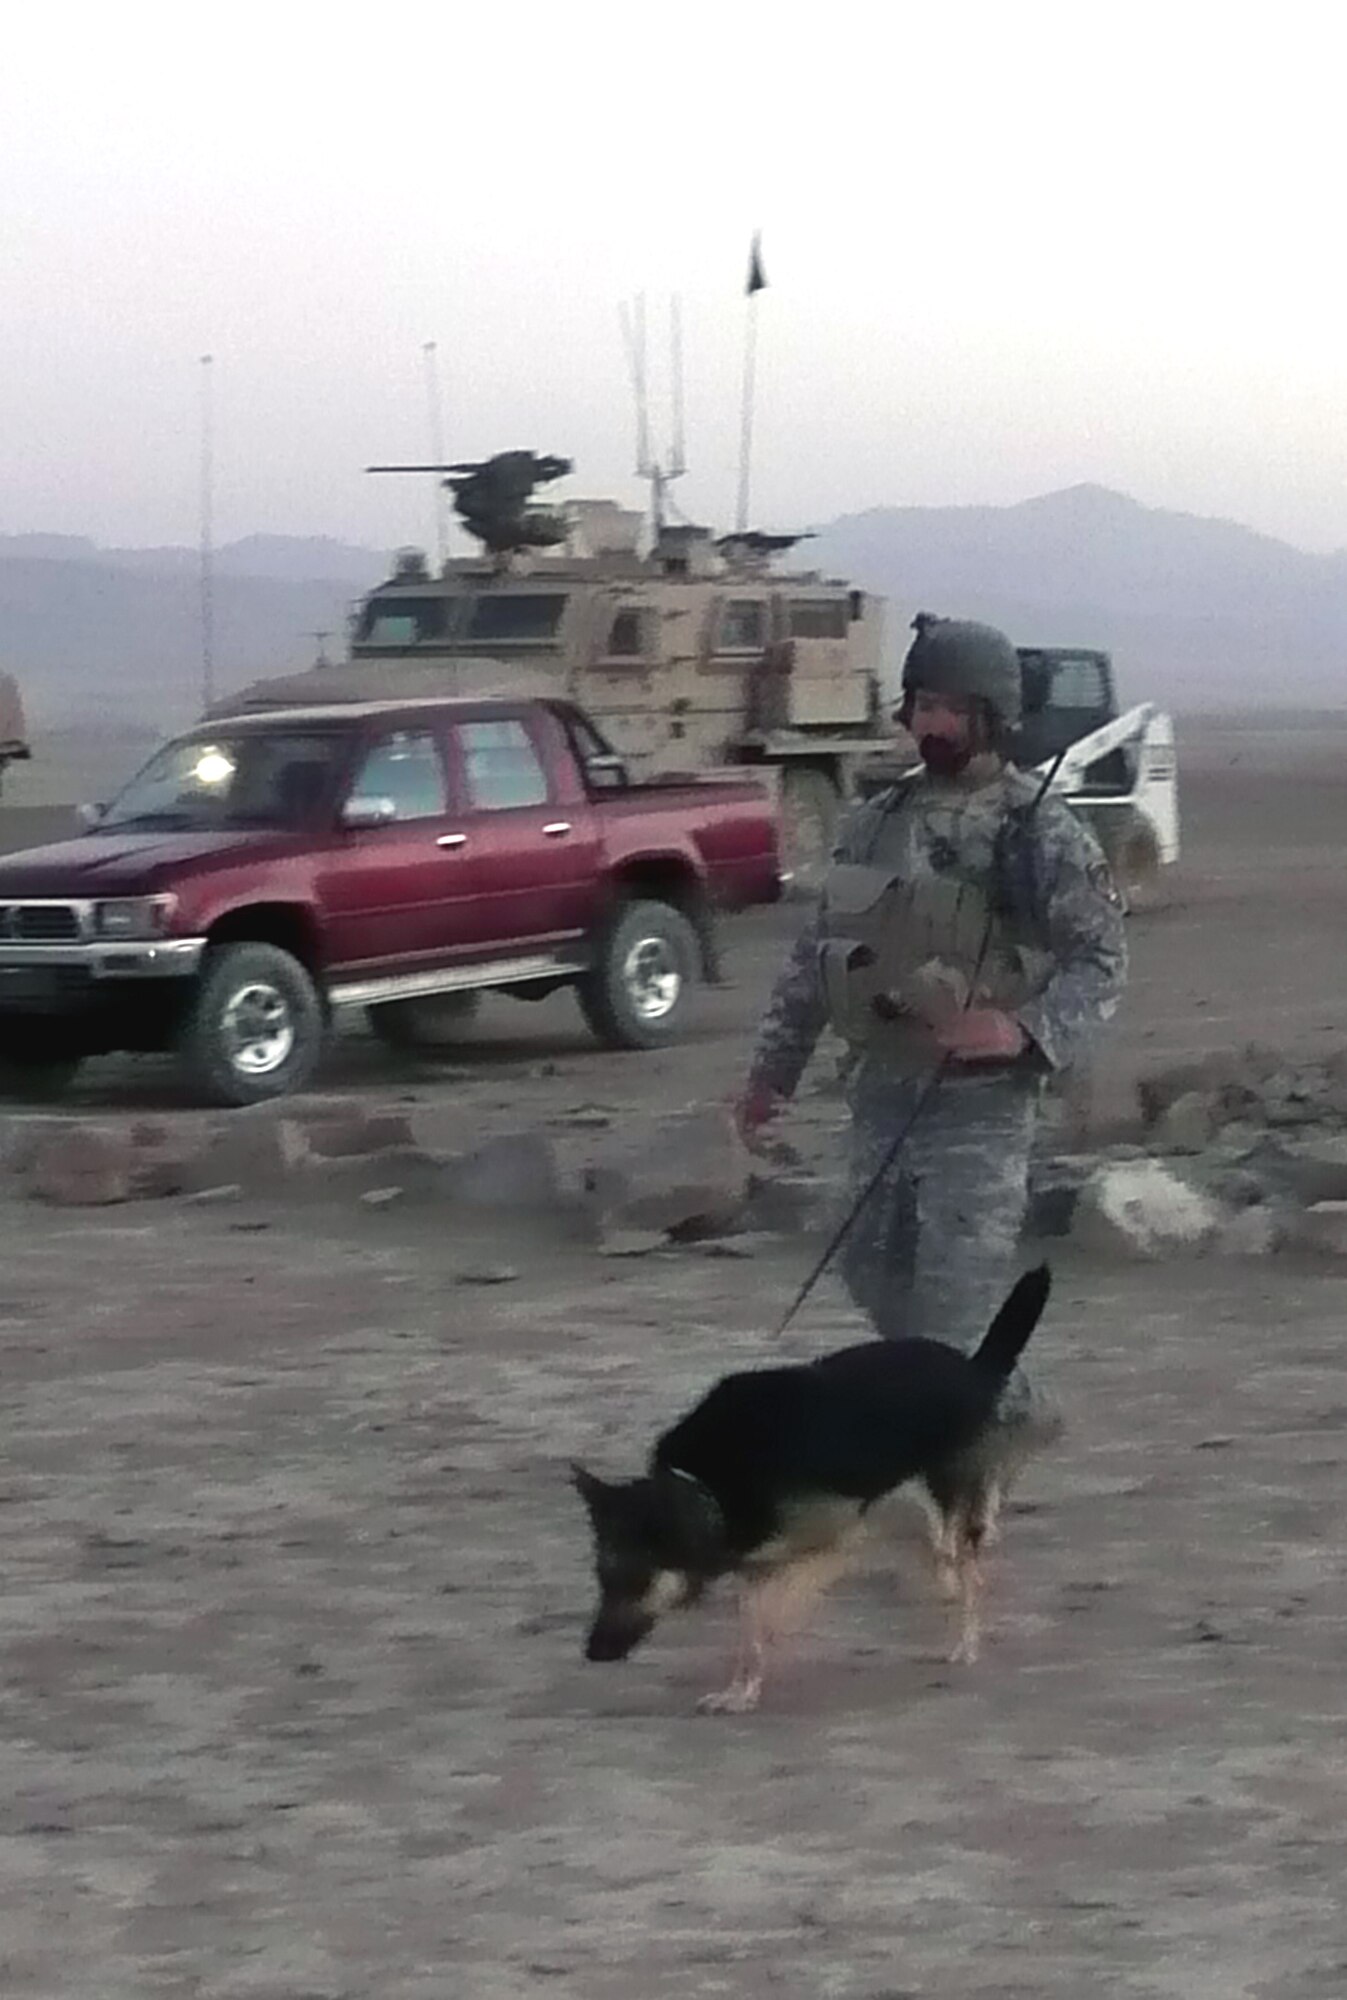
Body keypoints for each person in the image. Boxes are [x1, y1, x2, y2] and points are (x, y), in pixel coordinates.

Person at [736, 614, 1128, 1496]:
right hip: (881, 1090)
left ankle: (963, 1515)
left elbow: (1101, 957)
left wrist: (1023, 1031)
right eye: (920, 704)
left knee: (947, 1317)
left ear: (993, 717)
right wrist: (771, 1075)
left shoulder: (1037, 832)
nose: (931, 723)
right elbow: (817, 953)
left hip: (979, 1112)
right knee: (876, 1277)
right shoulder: (874, 820)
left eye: (951, 706)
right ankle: (1013, 1403)